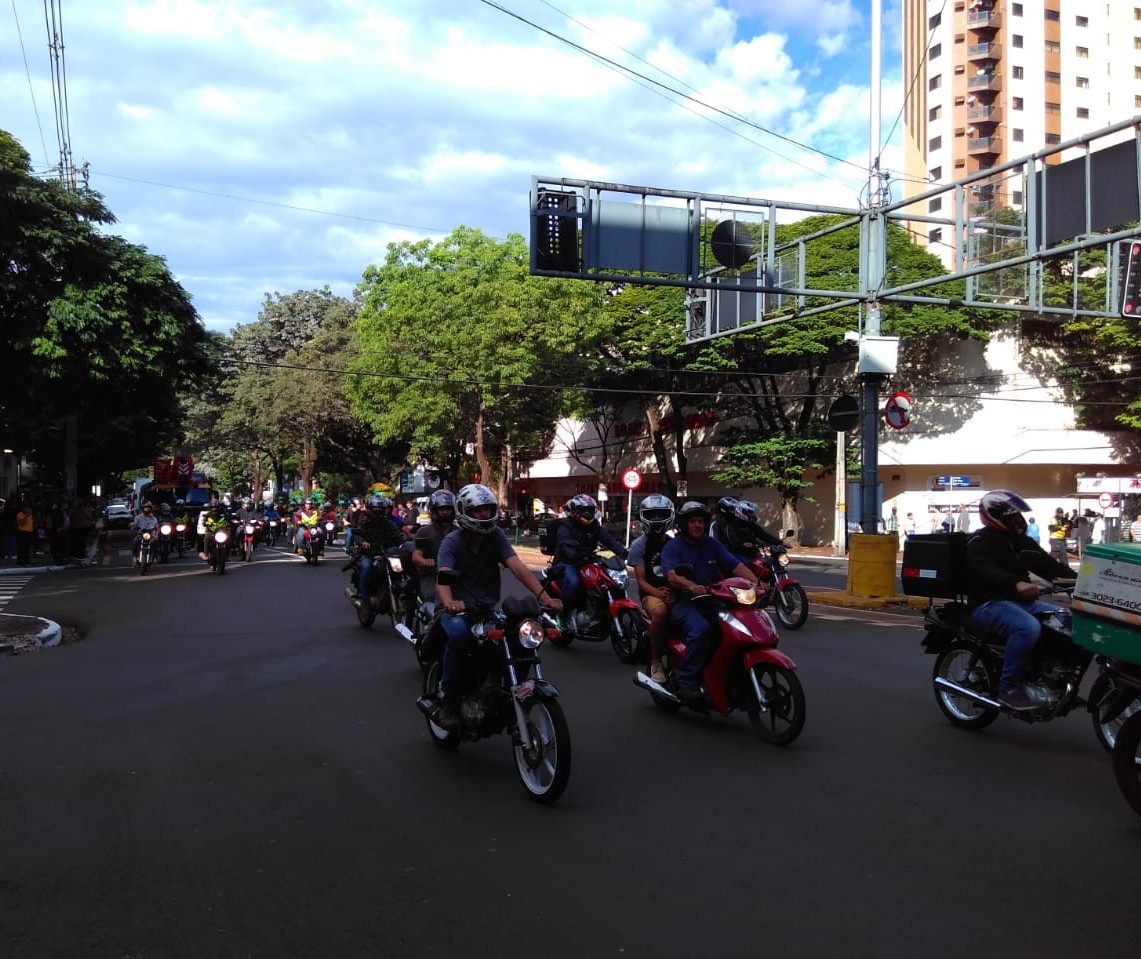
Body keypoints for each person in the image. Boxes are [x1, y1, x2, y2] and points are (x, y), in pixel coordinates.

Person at [432, 484, 562, 728]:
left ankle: (505, 692)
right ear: (464, 511)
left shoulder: (496, 537)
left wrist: (545, 598)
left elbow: (517, 566)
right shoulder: (452, 541)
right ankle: (448, 700)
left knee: (521, 635)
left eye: (487, 509)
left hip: (487, 609)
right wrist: (449, 602)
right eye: (478, 510)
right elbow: (443, 577)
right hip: (456, 610)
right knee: (459, 635)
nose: (483, 514)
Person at [965, 489, 1075, 712]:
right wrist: (1016, 584)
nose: (1018, 520)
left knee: (1066, 620)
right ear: (996, 516)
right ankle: (1008, 688)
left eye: (1018, 515)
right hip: (989, 604)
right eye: (1012, 515)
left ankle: (1048, 675)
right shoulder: (979, 542)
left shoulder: (1021, 542)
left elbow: (1049, 566)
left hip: (1022, 603)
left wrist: (1085, 583)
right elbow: (988, 571)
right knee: (1027, 628)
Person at [660, 500, 758, 703]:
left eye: (701, 522)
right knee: (702, 631)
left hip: (712, 600)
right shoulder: (673, 547)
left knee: (737, 630)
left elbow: (735, 565)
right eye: (693, 522)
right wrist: (690, 586)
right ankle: (688, 682)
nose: (697, 525)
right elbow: (671, 576)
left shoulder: (712, 544)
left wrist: (757, 583)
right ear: (684, 524)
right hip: (684, 602)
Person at [551, 494, 627, 623]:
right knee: (574, 582)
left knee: (605, 580)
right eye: (583, 510)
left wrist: (624, 553)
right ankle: (563, 613)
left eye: (590, 510)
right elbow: (565, 545)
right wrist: (575, 554)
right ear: (575, 511)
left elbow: (609, 540)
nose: (587, 513)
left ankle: (597, 611)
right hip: (567, 562)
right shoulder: (565, 525)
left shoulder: (594, 526)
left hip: (587, 561)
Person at [627, 493, 676, 684]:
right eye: (652, 514)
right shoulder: (639, 546)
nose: (656, 519)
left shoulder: (674, 544)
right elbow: (641, 581)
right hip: (651, 596)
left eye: (660, 514)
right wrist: (658, 593)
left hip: (677, 592)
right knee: (661, 612)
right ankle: (656, 661)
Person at [346, 494, 407, 602]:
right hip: (368, 553)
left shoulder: (389, 523)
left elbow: (398, 534)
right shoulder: (364, 523)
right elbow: (357, 534)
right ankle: (364, 599)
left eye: (380, 508)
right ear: (370, 509)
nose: (377, 510)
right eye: (375, 508)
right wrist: (363, 542)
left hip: (386, 553)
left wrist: (406, 543)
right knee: (366, 567)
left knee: (400, 566)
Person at [410, 489, 457, 605]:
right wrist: (426, 562)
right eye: (442, 509)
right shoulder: (424, 532)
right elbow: (416, 557)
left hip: (455, 576)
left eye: (448, 509)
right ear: (434, 511)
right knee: (435, 598)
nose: (446, 512)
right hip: (430, 576)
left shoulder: (460, 532)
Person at [710, 496, 782, 565]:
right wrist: (743, 545)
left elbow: (763, 534)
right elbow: (720, 543)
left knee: (766, 563)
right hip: (730, 555)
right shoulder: (718, 524)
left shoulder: (741, 523)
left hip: (748, 552)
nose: (734, 511)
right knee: (746, 563)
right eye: (732, 509)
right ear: (724, 509)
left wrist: (779, 542)